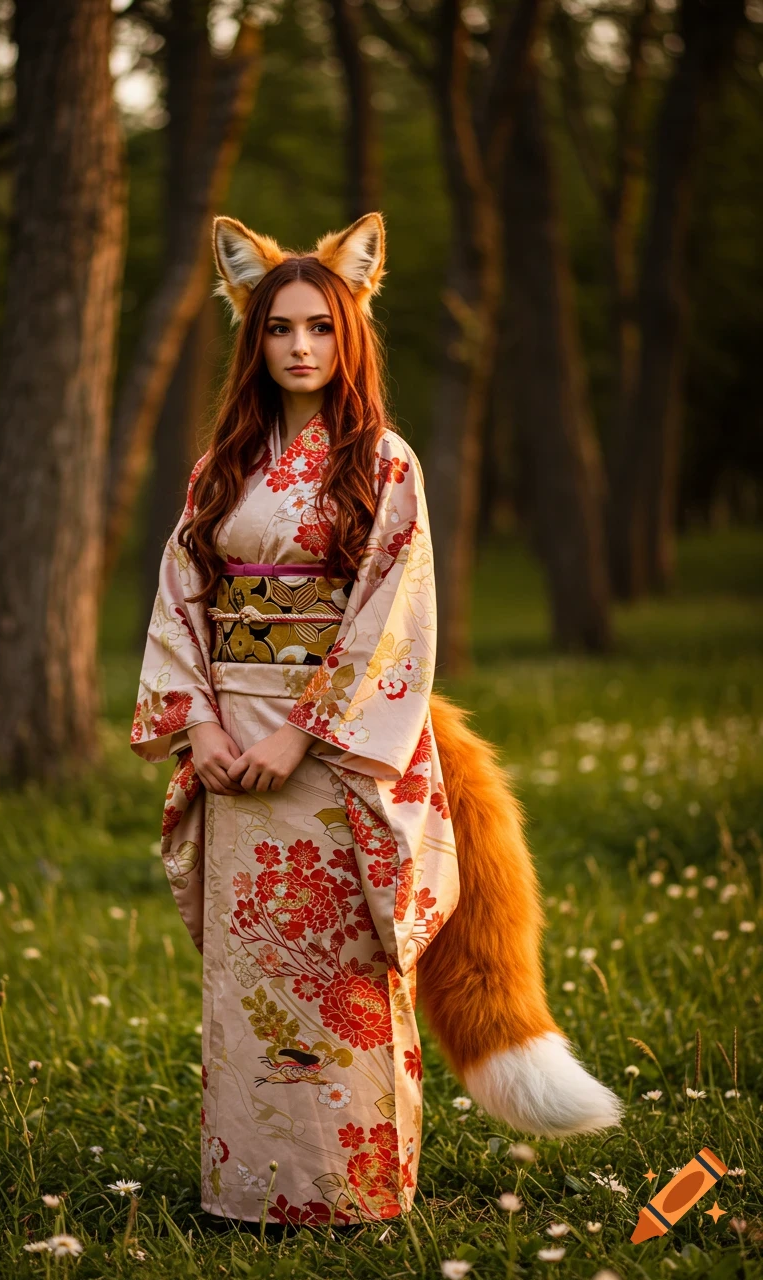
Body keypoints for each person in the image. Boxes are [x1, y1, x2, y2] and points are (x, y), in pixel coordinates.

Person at [129, 211, 622, 1230]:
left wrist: (294, 732)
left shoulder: (382, 462)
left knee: (342, 971)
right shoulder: (220, 463)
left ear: (348, 330)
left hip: (333, 752)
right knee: (247, 975)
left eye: (318, 324)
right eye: (277, 327)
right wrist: (203, 729)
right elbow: (181, 596)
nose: (299, 345)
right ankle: (248, 1186)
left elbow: (390, 617)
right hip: (231, 747)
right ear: (250, 334)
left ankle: (350, 1190)